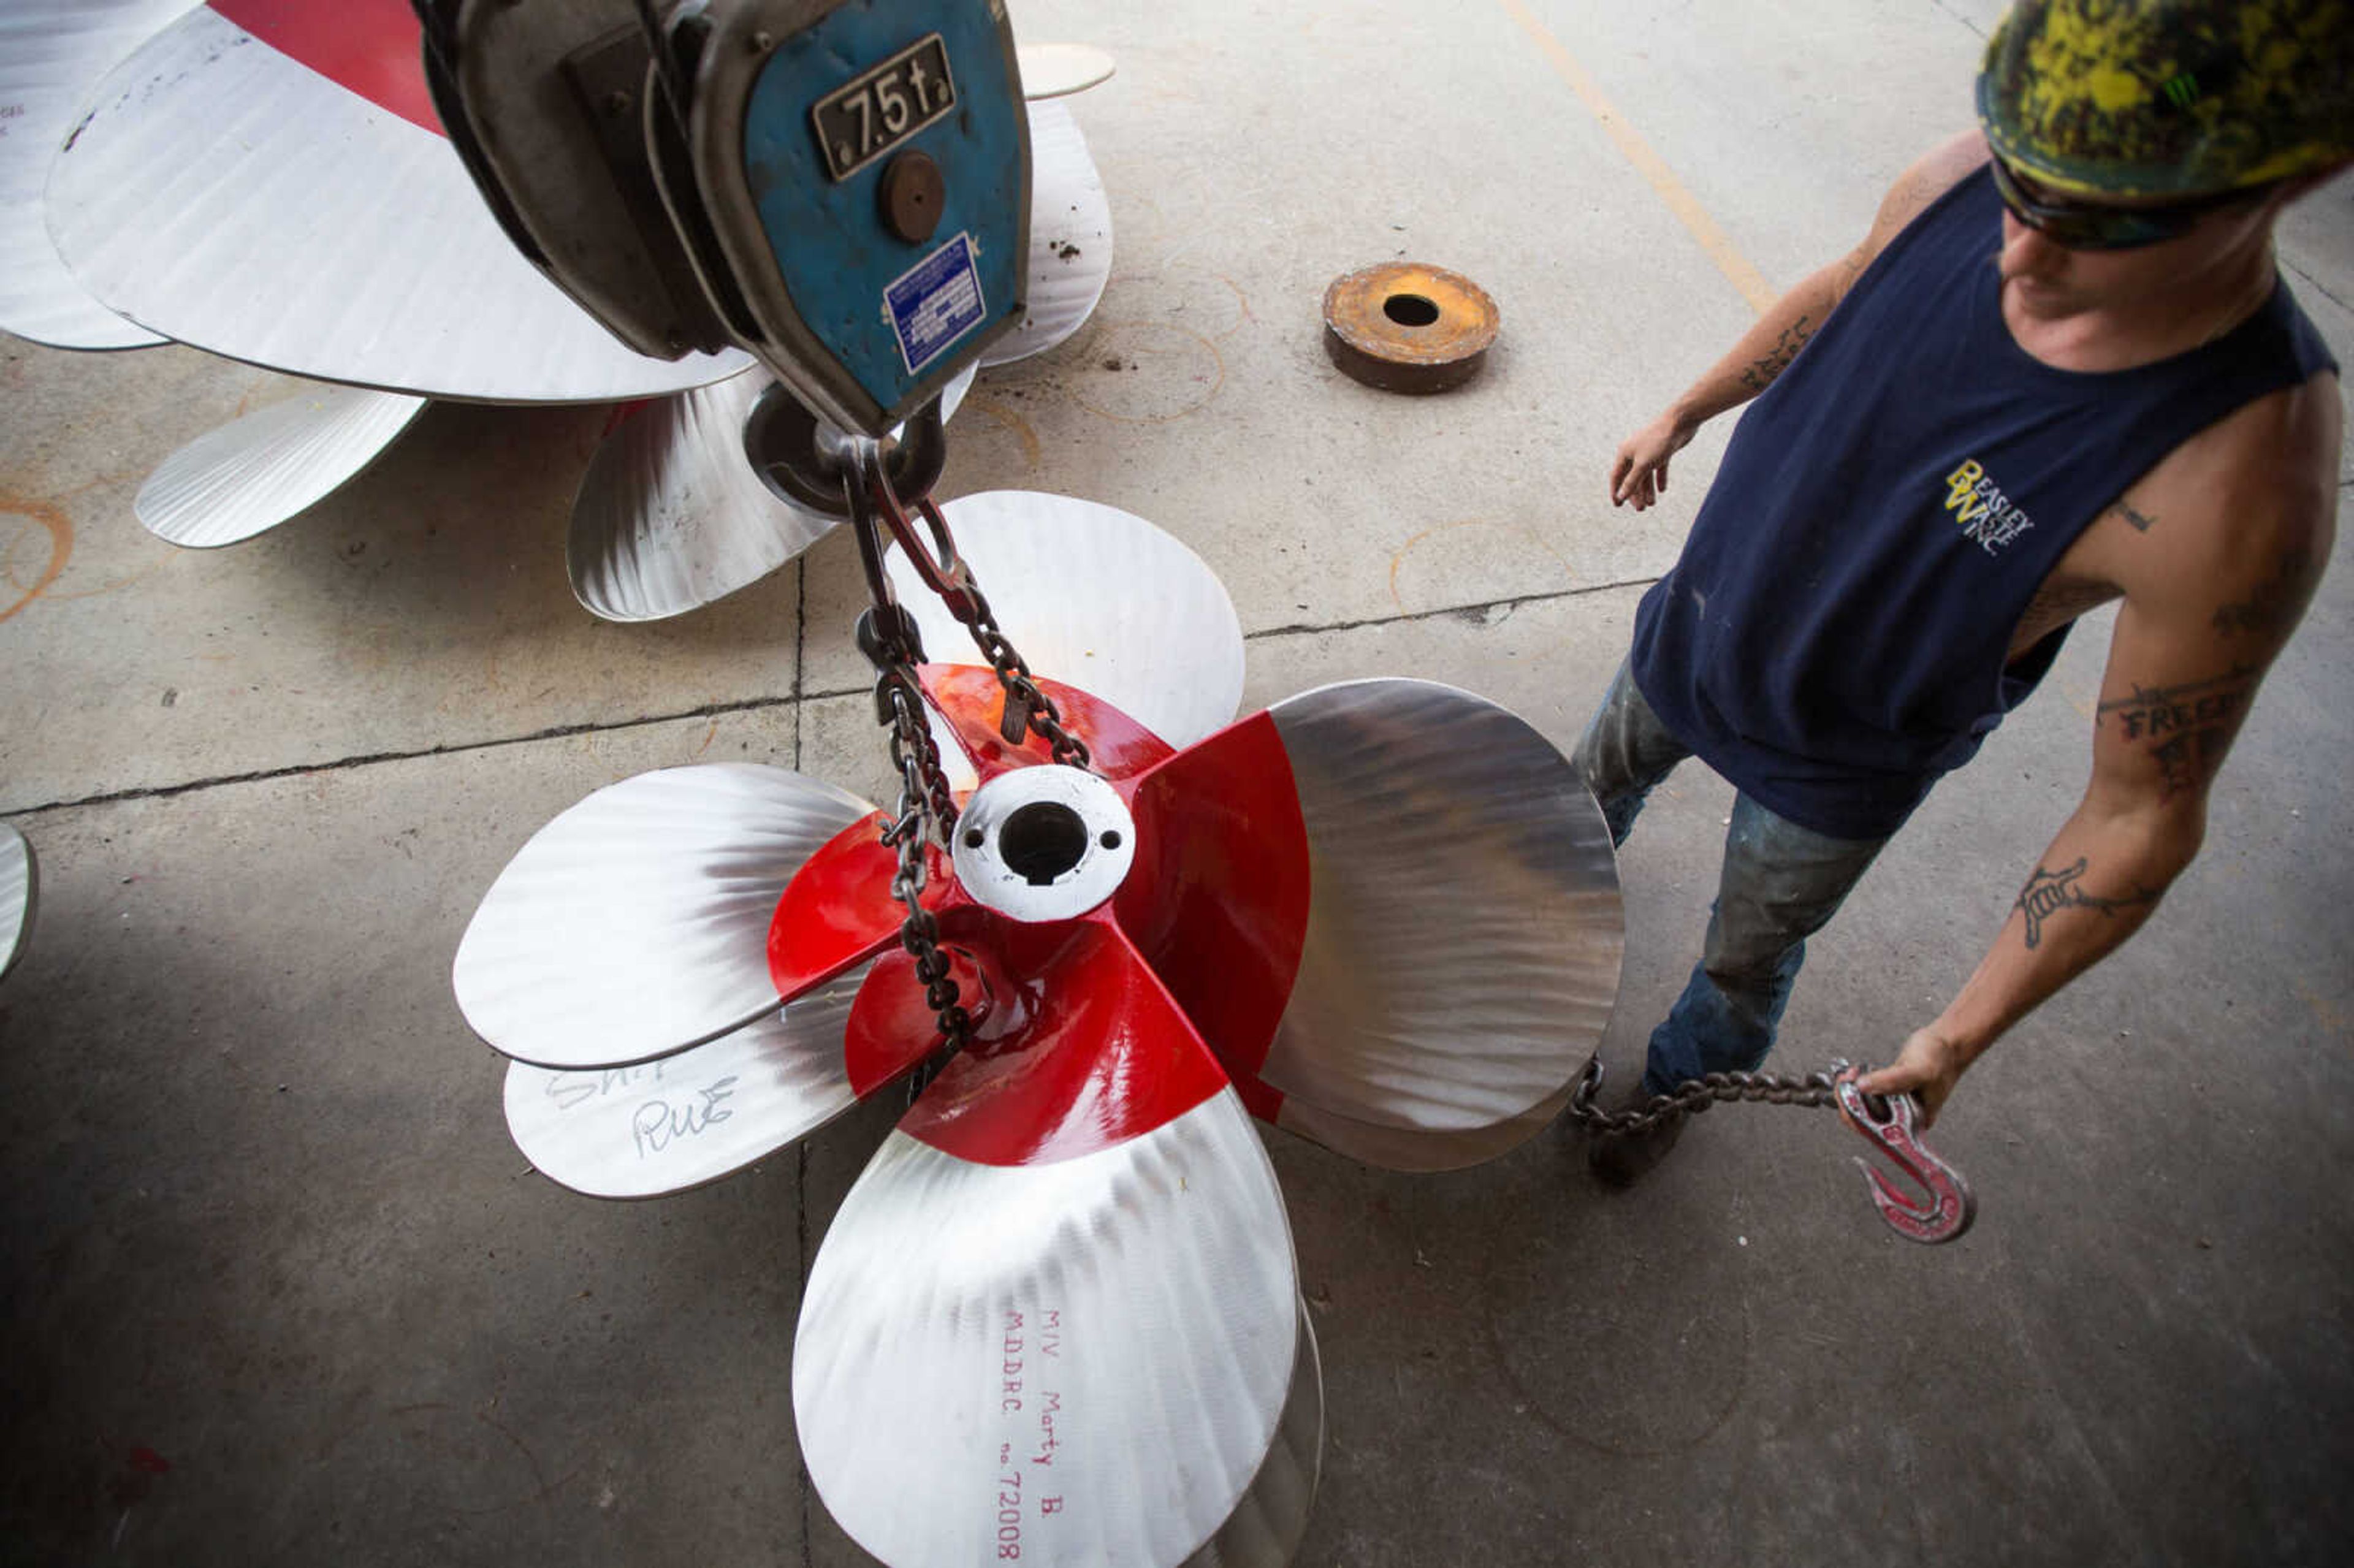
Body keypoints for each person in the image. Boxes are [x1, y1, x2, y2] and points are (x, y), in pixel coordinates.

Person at [1582, 0, 2349, 1182]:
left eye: (2104, 226)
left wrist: (1958, 1033)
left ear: (2296, 181)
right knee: (1581, 799)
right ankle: (1549, 906)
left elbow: (2142, 809)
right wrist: (1685, 407)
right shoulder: (1957, 180)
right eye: (2026, 190)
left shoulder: (2237, 480)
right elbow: (1843, 292)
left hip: (1838, 764)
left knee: (1744, 959)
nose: (2022, 255)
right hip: (1692, 628)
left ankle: (1670, 1093)